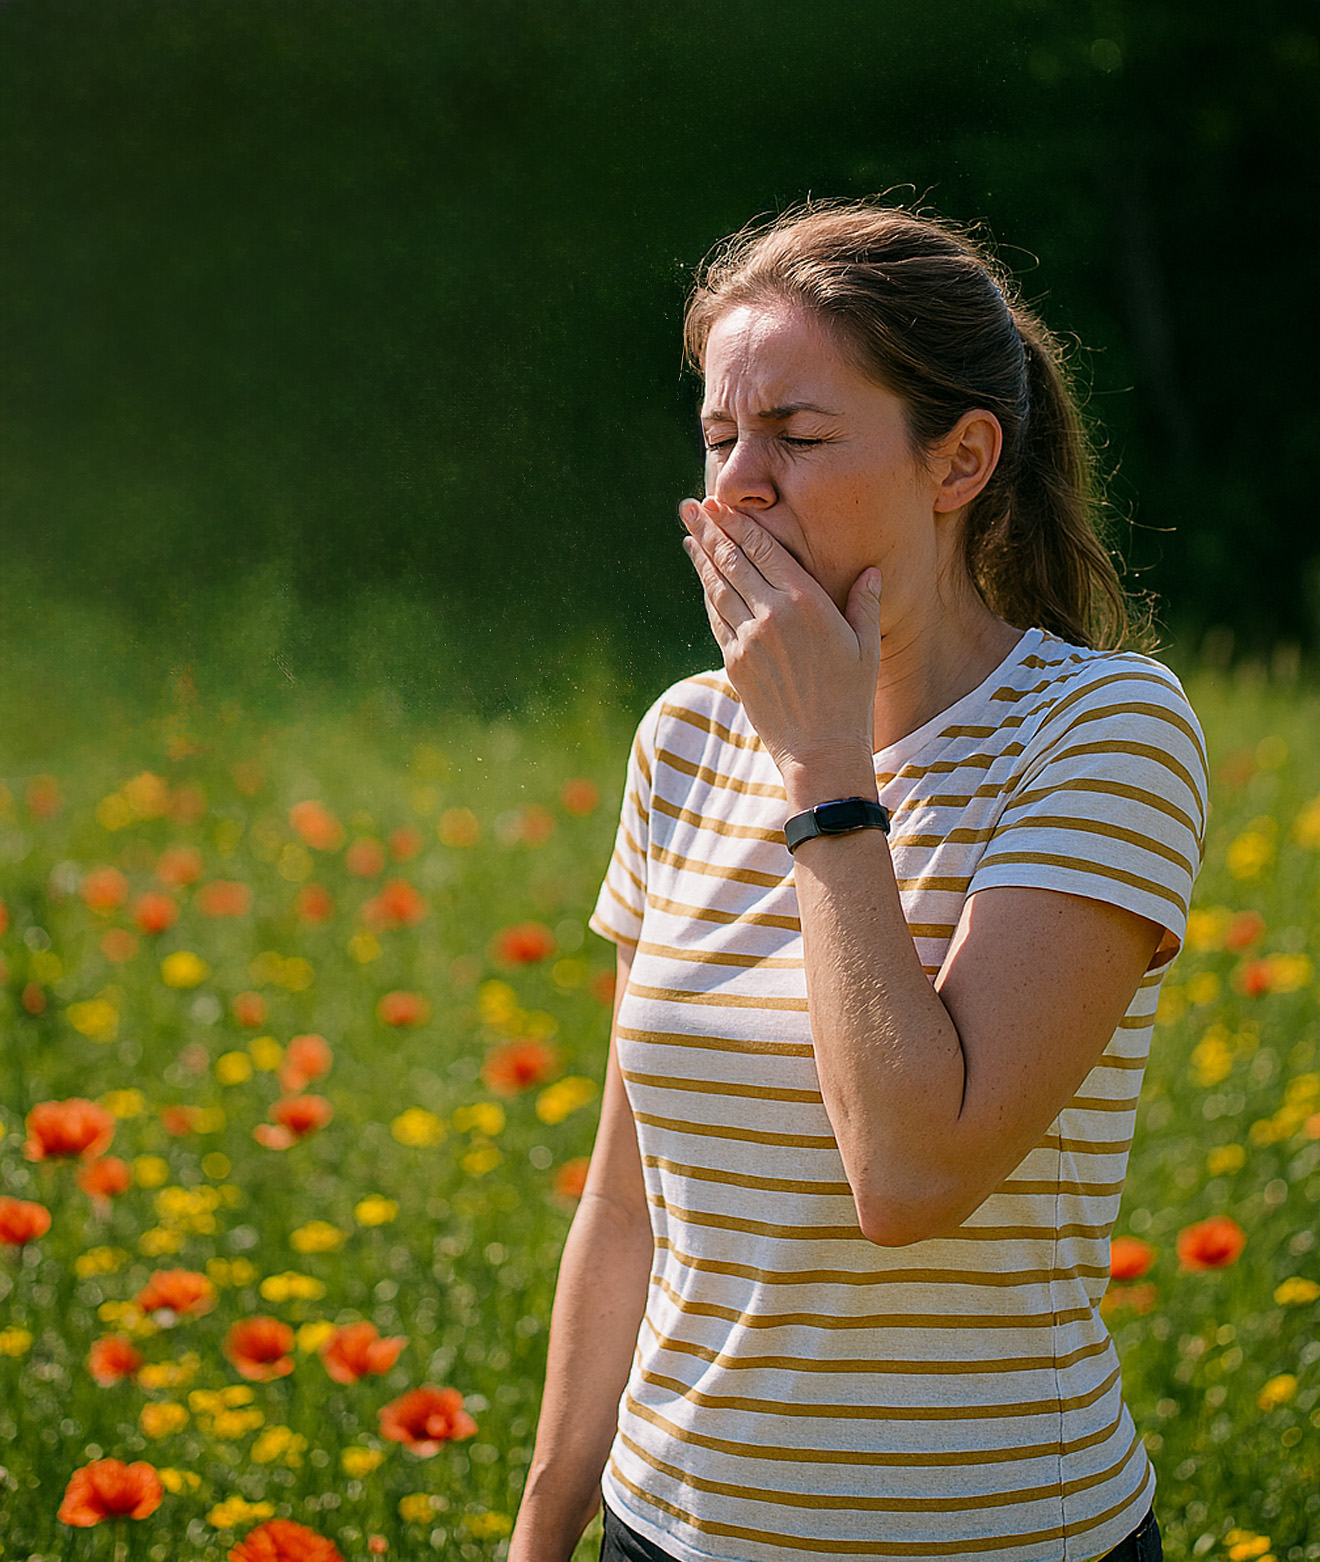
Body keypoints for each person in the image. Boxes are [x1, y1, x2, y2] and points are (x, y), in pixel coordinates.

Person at [510, 200, 1205, 1562]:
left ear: (961, 461)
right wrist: (543, 1526)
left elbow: (910, 1170)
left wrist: (828, 762)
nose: (743, 484)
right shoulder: (688, 736)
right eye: (722, 436)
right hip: (668, 1529)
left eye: (799, 435)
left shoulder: (1105, 729)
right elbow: (628, 1196)